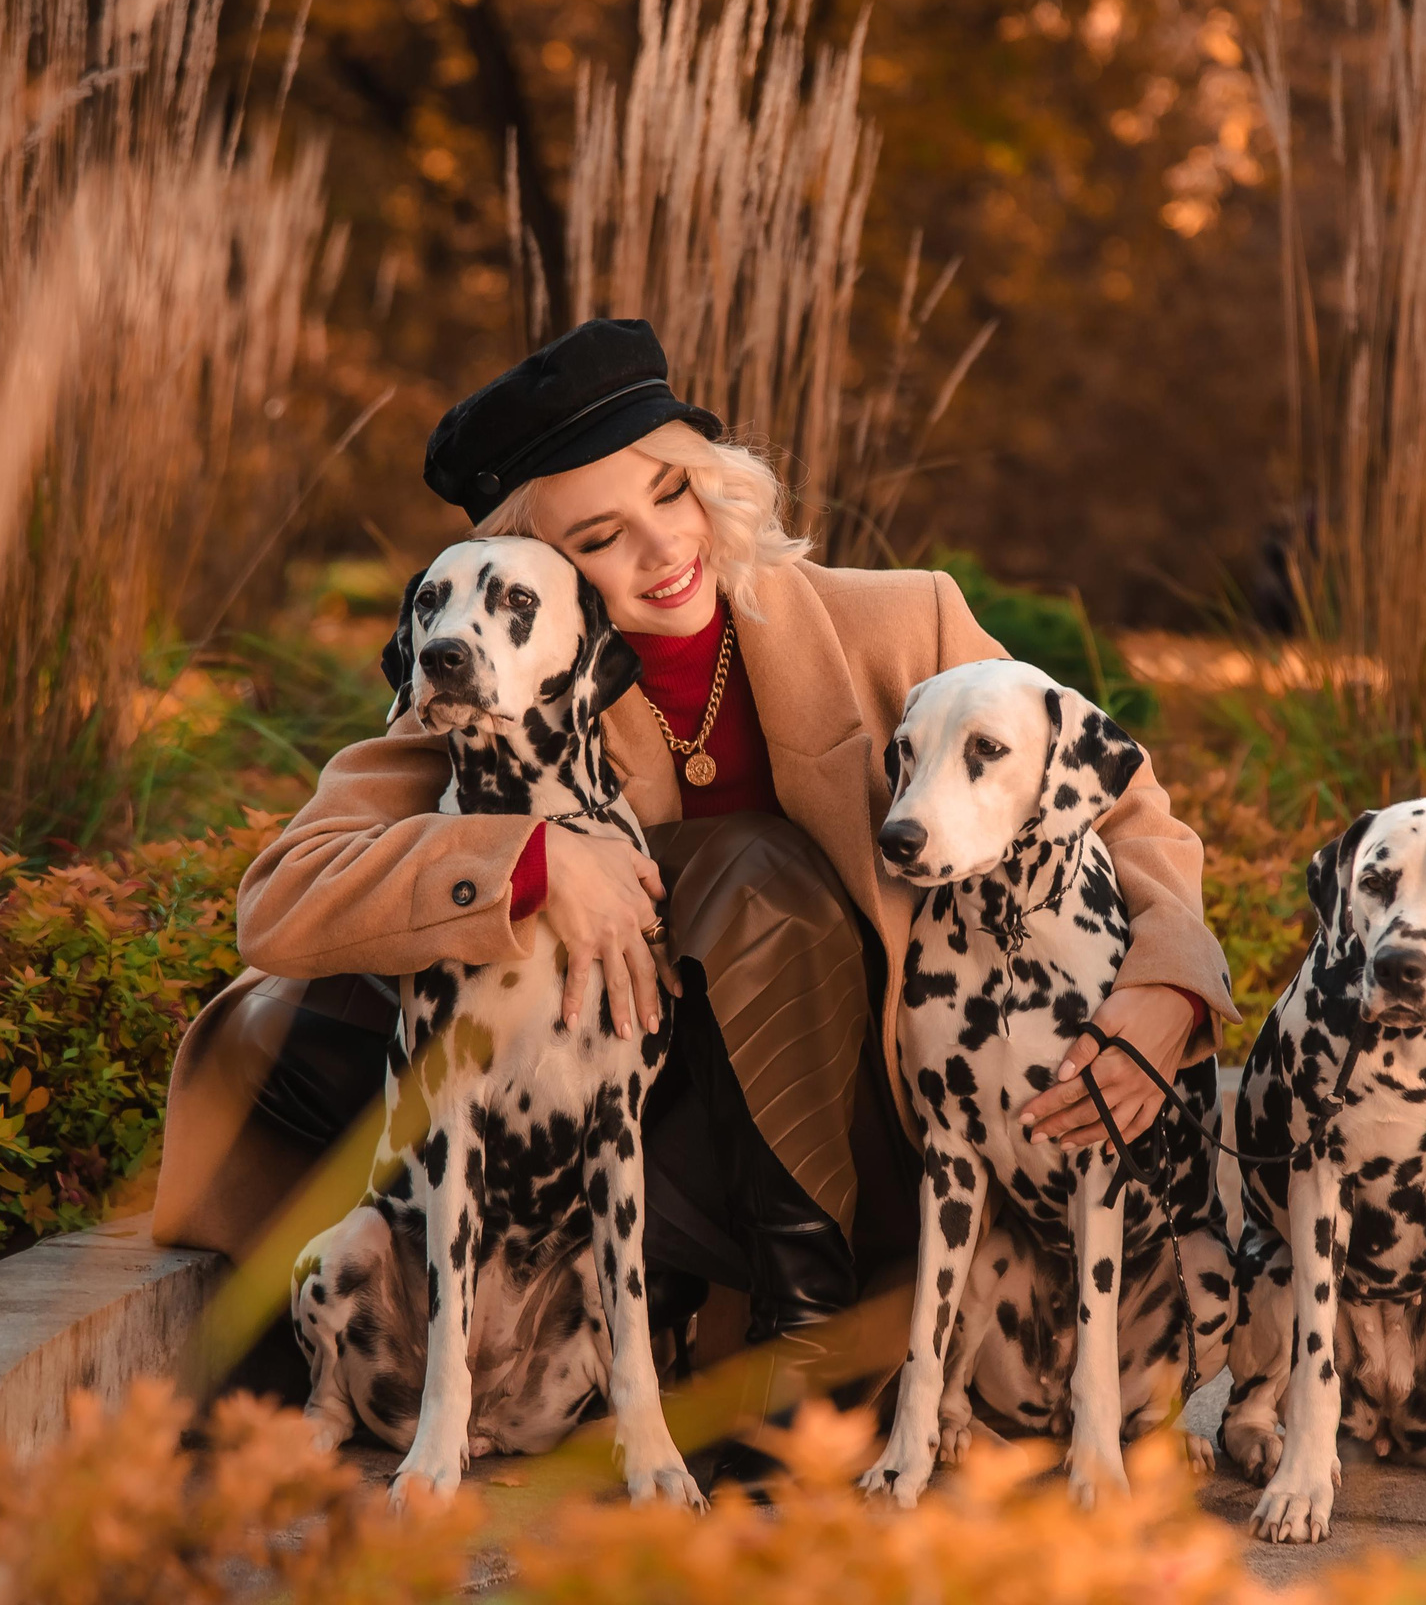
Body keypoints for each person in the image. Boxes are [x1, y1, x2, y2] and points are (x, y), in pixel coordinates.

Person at [152, 317, 1237, 1356]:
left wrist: (1168, 986)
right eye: (596, 537)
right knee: (311, 1015)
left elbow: (1128, 809)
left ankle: (810, 1319)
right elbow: (283, 899)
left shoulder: (910, 622)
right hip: (652, 1134)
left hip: (893, 1119)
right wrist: (529, 860)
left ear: (709, 477)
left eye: (670, 489)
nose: (664, 543)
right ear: (545, 571)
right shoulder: (510, 694)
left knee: (759, 866)